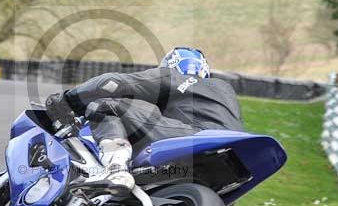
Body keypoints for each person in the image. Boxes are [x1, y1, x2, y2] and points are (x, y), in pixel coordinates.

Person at [45, 47, 244, 195]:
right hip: (232, 159)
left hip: (196, 137)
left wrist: (68, 100)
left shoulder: (171, 77)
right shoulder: (224, 89)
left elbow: (112, 84)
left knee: (104, 105)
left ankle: (116, 170)